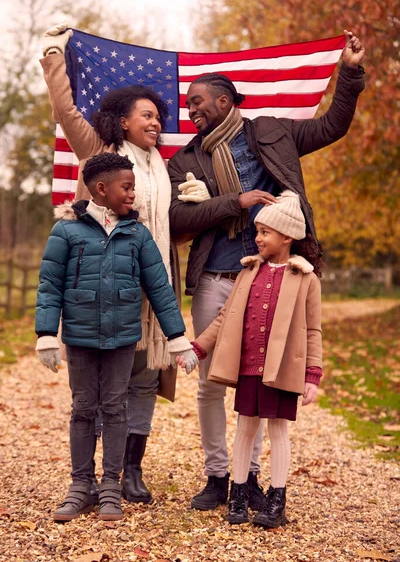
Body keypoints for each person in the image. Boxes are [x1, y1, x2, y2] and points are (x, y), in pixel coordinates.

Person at [167, 30, 365, 510]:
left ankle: (248, 478)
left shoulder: (273, 131)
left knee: (259, 382)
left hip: (269, 278)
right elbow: (178, 220)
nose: (191, 109)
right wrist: (234, 201)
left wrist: (351, 73)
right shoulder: (186, 159)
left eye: (198, 101)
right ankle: (218, 476)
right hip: (216, 279)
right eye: (188, 104)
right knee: (214, 382)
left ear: (225, 100)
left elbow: (331, 127)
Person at [41, 24, 182, 505]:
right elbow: (64, 108)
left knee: (142, 379)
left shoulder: (167, 168)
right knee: (99, 386)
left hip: (152, 279)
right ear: (122, 121)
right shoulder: (99, 154)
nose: (156, 122)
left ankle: (130, 472)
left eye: (159, 117)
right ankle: (92, 477)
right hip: (103, 287)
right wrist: (55, 52)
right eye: (147, 115)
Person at [35, 153, 195, 521]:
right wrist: (46, 333)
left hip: (123, 337)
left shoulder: (137, 234)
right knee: (83, 409)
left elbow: (160, 289)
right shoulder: (67, 231)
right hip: (79, 337)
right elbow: (49, 285)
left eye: (135, 188)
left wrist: (177, 339)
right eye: (127, 188)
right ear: (101, 190)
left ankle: (110, 487)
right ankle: (80, 486)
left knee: (115, 408)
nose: (133, 196)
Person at [176, 190, 322, 527]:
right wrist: (199, 348)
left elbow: (313, 330)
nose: (256, 238)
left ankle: (276, 502)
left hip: (281, 370)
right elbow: (223, 318)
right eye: (257, 232)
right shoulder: (248, 273)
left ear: (287, 236)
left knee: (278, 431)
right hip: (248, 368)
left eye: (264, 232)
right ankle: (238, 498)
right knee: (244, 429)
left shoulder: (305, 278)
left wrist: (312, 374)